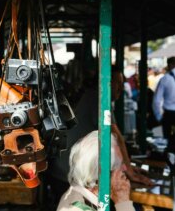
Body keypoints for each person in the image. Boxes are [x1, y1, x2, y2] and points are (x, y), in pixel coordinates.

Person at [48, 66, 152, 206]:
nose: (121, 88)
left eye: (122, 83)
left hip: (70, 167)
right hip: (69, 169)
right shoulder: (99, 98)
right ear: (105, 83)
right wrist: (130, 172)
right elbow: (116, 137)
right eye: (117, 83)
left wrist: (127, 168)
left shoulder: (93, 96)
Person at [57, 131, 135, 211]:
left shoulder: (78, 194)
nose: (125, 168)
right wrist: (123, 202)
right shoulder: (79, 208)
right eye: (120, 165)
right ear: (102, 175)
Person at [153, 57, 175, 158]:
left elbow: (157, 101)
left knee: (171, 143)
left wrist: (159, 117)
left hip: (170, 116)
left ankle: (172, 167)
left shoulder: (165, 79)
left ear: (170, 65)